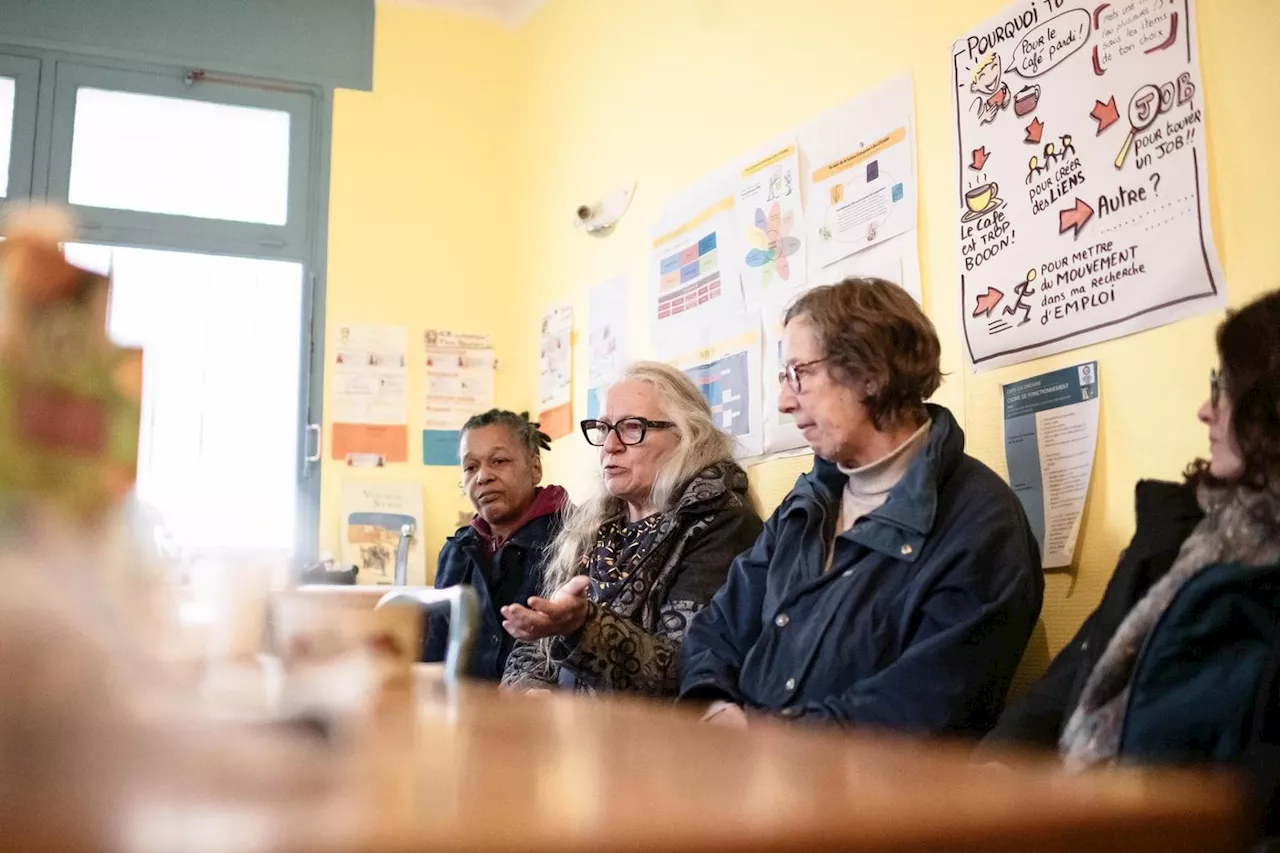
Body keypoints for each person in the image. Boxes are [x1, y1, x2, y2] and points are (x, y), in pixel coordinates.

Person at [679, 277, 1043, 737]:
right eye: (784, 377)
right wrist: (713, 707)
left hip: (865, 801)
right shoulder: (809, 500)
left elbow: (915, 712)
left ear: (871, 374)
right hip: (749, 776)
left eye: (800, 374)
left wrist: (758, 736)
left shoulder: (983, 525)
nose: (785, 401)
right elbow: (716, 628)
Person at [984, 291, 1280, 839]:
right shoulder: (1182, 529)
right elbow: (1073, 675)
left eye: (1225, 389)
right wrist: (997, 765)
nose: (1205, 409)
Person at [501, 362, 763, 696]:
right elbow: (536, 644)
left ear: (687, 437)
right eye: (603, 428)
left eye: (631, 427)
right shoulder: (593, 525)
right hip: (574, 736)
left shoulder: (724, 526)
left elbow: (686, 670)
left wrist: (582, 627)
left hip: (658, 743)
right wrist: (530, 690)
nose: (610, 445)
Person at [423, 410, 568, 681]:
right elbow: (435, 651)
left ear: (535, 468)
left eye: (499, 461)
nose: (483, 477)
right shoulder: (457, 552)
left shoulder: (571, 538)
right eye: (470, 467)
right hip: (462, 710)